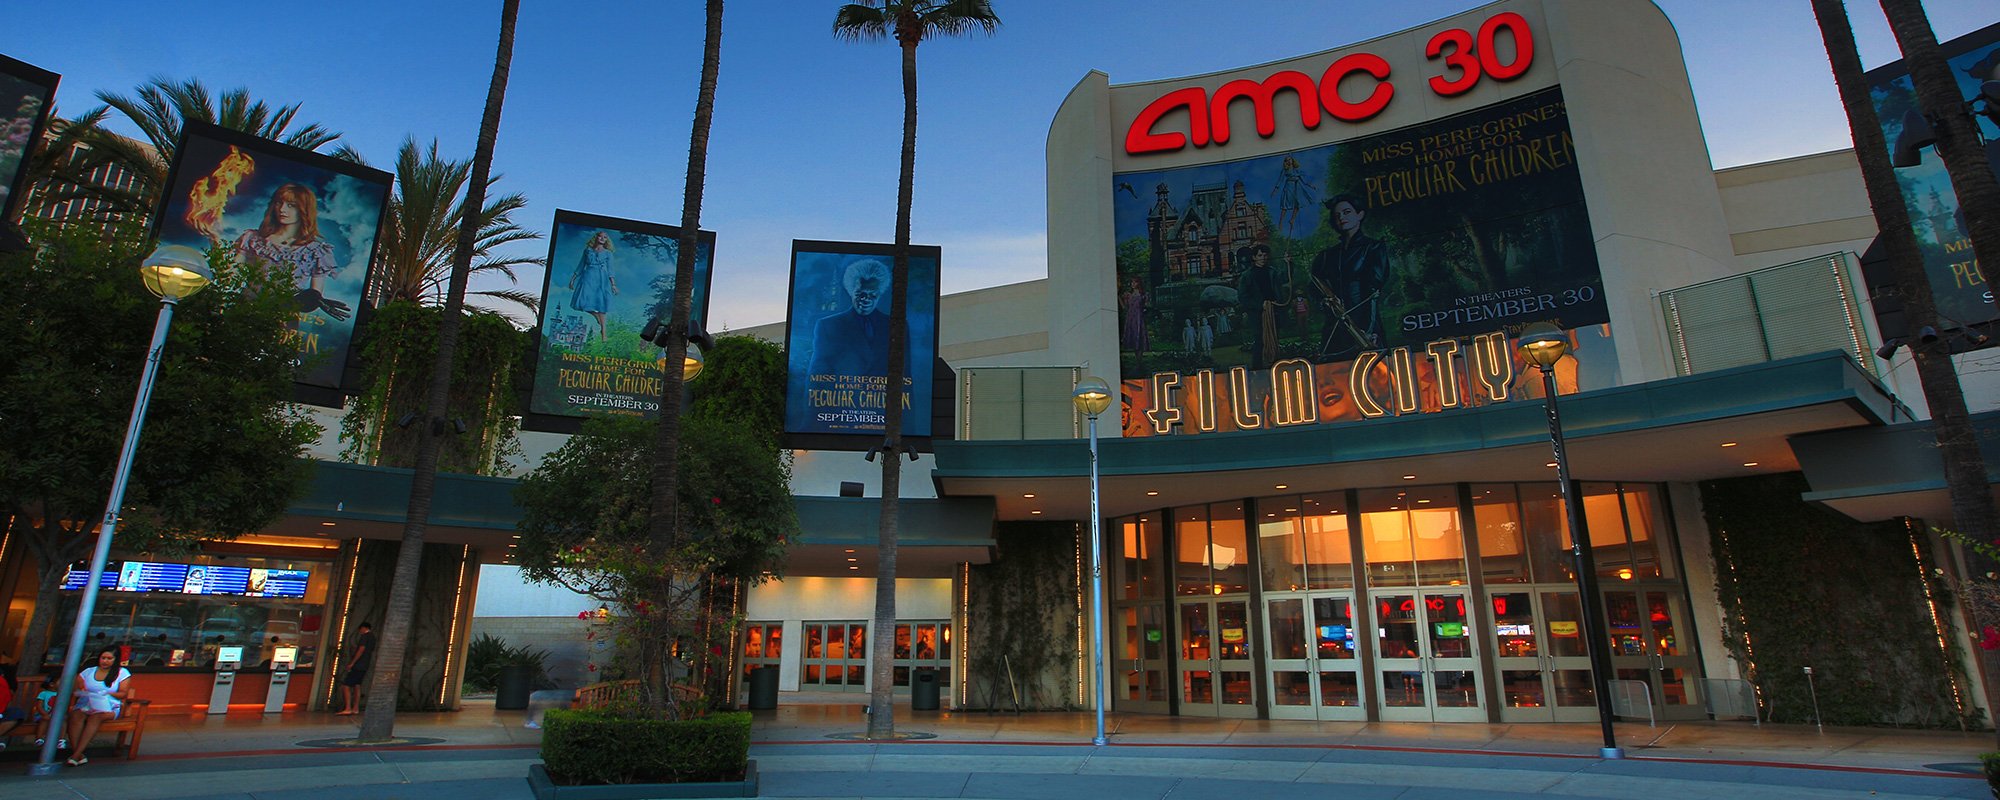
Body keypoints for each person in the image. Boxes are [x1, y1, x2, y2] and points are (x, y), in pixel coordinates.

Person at [235, 183, 349, 321]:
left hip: (281, 320)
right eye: (279, 203)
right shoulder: (253, 238)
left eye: (291, 205)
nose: (282, 209)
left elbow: (315, 294)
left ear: (304, 209)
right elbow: (230, 273)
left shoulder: (316, 251)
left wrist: (312, 300)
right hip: (242, 312)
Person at [1308, 194, 1388, 360]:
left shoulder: (1374, 247)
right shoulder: (1327, 255)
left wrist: (1370, 329)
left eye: (1347, 212)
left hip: (1363, 323)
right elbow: (1314, 285)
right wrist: (1324, 301)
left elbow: (1374, 290)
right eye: (1337, 215)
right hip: (1335, 325)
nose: (1341, 218)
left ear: (1360, 214)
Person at [807, 258, 898, 379]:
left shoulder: (896, 326)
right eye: (860, 294)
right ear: (851, 291)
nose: (866, 299)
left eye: (872, 294)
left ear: (880, 293)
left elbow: (905, 375)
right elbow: (818, 371)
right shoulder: (827, 326)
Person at [62, 647, 132, 766]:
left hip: (108, 706)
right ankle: (78, 754)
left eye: (109, 658)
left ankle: (75, 755)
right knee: (75, 715)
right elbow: (77, 688)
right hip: (86, 703)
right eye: (103, 658)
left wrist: (107, 693)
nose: (105, 661)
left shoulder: (122, 673)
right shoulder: (88, 672)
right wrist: (82, 691)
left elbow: (123, 693)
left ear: (115, 660)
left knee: (96, 717)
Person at [1236, 243, 1284, 369]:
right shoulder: (1247, 276)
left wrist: (1289, 264)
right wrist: (1259, 305)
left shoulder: (1272, 272)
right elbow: (1242, 297)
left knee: (1274, 337)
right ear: (1254, 257)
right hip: (1257, 313)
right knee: (1259, 339)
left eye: (1265, 255)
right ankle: (1257, 368)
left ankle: (1275, 365)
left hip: (1273, 310)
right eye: (1260, 255)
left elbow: (1284, 279)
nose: (1263, 258)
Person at [568, 231, 619, 342]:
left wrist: (613, 284)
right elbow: (581, 265)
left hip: (602, 280)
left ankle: (604, 333)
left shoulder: (608, 254)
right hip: (588, 277)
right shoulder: (587, 251)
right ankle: (596, 316)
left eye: (605, 237)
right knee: (582, 302)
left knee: (601, 305)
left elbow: (610, 269)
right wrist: (572, 280)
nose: (602, 238)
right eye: (600, 236)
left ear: (607, 240)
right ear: (596, 237)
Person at [338, 622, 375, 716]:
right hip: (365, 664)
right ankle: (355, 708)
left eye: (360, 629)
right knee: (357, 685)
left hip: (359, 664)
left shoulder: (364, 637)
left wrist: (352, 663)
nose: (360, 632)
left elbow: (361, 649)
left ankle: (348, 708)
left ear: (363, 628)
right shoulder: (372, 637)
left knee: (346, 685)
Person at [1118, 278, 1149, 354]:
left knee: (1139, 335)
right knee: (1133, 335)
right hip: (1131, 317)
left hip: (1139, 317)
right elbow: (1124, 307)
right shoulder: (1128, 295)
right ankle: (1137, 356)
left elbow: (1146, 306)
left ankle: (1140, 357)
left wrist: (1144, 310)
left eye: (1135, 282)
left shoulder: (1143, 294)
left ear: (1139, 283)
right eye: (1132, 282)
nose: (1133, 284)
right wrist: (1119, 297)